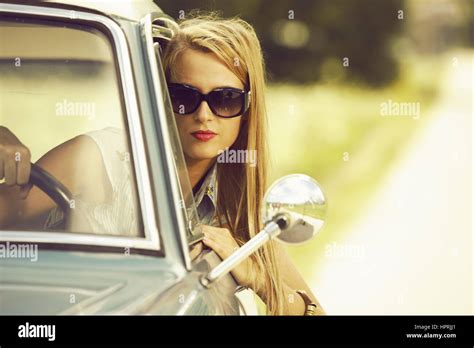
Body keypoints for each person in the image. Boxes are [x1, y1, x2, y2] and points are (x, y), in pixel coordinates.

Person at [0, 12, 325, 315]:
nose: (203, 115)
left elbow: (314, 311)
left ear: (247, 107)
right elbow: (8, 217)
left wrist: (257, 277)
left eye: (225, 99)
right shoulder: (101, 157)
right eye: (184, 97)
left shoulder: (236, 206)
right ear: (162, 98)